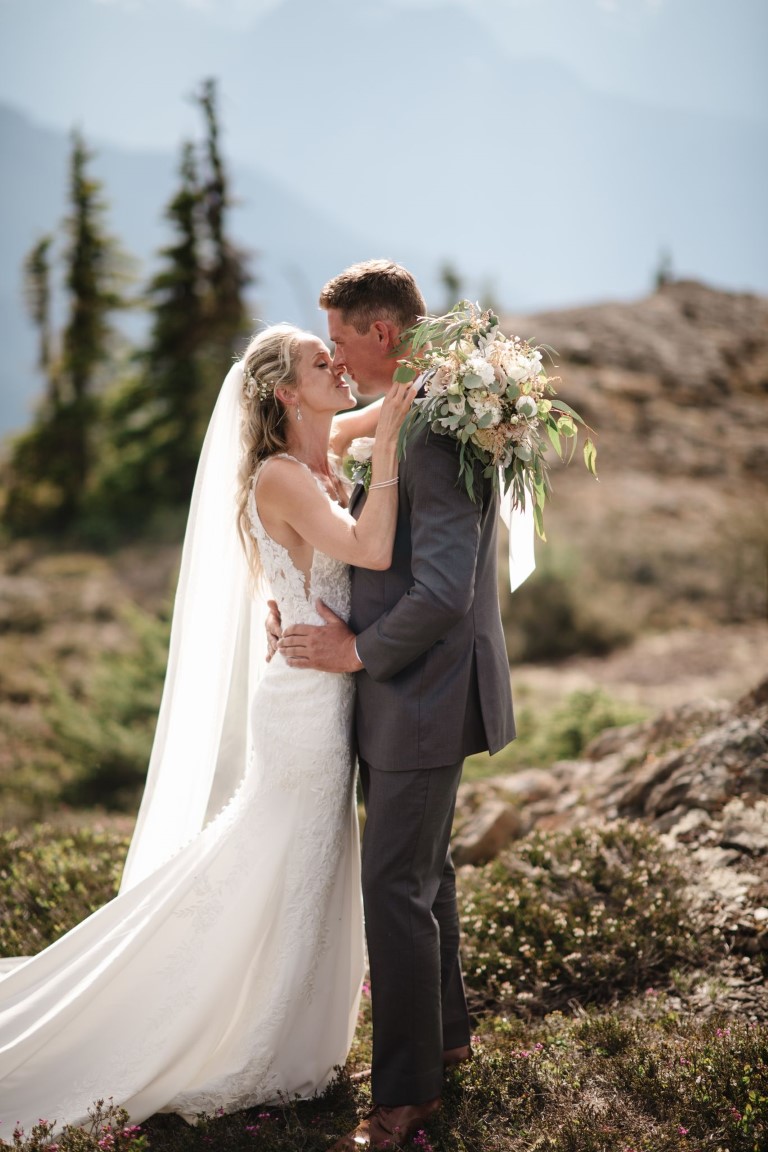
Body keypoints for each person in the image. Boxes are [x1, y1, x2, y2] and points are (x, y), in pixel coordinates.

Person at [0, 323, 416, 1130]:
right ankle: (214, 1031)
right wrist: (391, 443)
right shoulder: (282, 478)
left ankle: (281, 1028)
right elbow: (367, 548)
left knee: (298, 866)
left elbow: (372, 416)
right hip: (301, 709)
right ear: (285, 393)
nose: (336, 364)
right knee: (277, 862)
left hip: (323, 692)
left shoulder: (322, 453)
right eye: (316, 361)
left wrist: (408, 405)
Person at [272, 261, 517, 1150]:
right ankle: (446, 1041)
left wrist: (356, 649)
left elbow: (446, 589)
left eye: (339, 339)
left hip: (422, 691)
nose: (335, 355)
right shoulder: (421, 405)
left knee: (394, 886)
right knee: (426, 876)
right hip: (404, 692)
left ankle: (406, 1098)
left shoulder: (432, 431)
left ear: (381, 332)